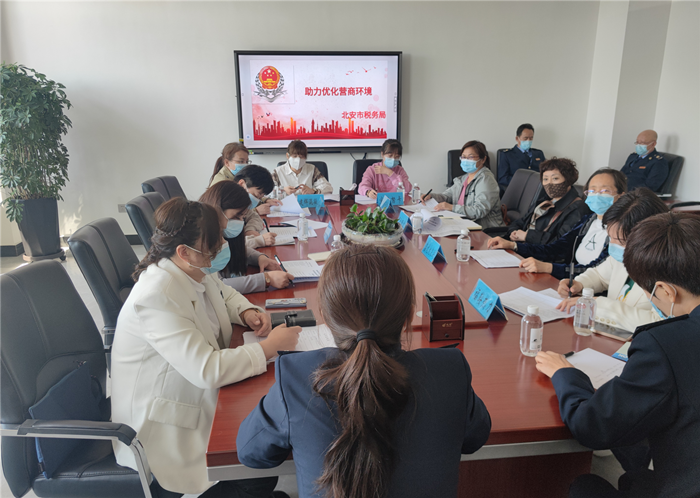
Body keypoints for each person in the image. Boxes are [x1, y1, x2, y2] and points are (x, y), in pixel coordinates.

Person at [236, 245, 491, 498]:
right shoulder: (449, 371)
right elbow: (475, 437)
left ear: (325, 316)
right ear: (407, 317)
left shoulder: (297, 376)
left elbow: (250, 452)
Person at [110, 197, 300, 497]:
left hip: (195, 391)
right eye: (214, 244)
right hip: (163, 424)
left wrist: (247, 312)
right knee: (256, 465)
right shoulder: (156, 295)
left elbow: (224, 293)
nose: (222, 245)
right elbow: (207, 369)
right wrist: (269, 348)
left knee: (263, 446)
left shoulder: (189, 268)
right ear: (184, 251)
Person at [535, 212, 700, 498]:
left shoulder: (667, 343)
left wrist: (566, 374)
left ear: (665, 290)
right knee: (635, 478)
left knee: (584, 487)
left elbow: (592, 426)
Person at [556, 188, 669, 332]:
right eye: (610, 238)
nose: (613, 245)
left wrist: (599, 304)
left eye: (621, 241)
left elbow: (659, 323)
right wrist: (579, 284)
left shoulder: (669, 270)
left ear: (648, 238)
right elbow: (599, 275)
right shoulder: (621, 256)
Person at [488, 168, 627, 278]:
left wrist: (549, 268)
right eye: (592, 190)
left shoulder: (622, 230)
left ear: (621, 195)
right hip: (570, 282)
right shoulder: (589, 221)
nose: (597, 195)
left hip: (589, 289)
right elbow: (556, 248)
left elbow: (597, 272)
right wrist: (513, 245)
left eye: (605, 190)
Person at [199, 181, 294, 293]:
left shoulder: (224, 233)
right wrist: (266, 279)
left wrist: (259, 258)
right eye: (236, 217)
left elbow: (236, 249)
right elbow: (218, 286)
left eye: (242, 217)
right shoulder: (199, 242)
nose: (240, 222)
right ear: (217, 210)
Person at [504, 157, 590, 245]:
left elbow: (562, 242)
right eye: (545, 179)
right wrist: (514, 232)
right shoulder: (544, 200)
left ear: (568, 180)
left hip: (535, 251)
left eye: (555, 178)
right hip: (519, 245)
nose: (549, 183)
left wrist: (527, 236)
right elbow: (521, 221)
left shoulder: (578, 208)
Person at [423, 140, 505, 229]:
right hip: (463, 224)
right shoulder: (463, 178)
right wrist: (430, 196)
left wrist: (452, 208)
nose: (466, 160)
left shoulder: (486, 179)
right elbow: (446, 196)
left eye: (470, 157)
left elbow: (480, 210)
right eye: (463, 157)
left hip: (484, 229)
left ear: (483, 159)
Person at [497, 123, 546, 196]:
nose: (528, 140)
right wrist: (523, 183)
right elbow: (503, 178)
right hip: (518, 190)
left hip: (538, 190)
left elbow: (545, 173)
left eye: (531, 138)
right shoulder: (507, 155)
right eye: (525, 138)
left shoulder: (538, 153)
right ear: (517, 138)